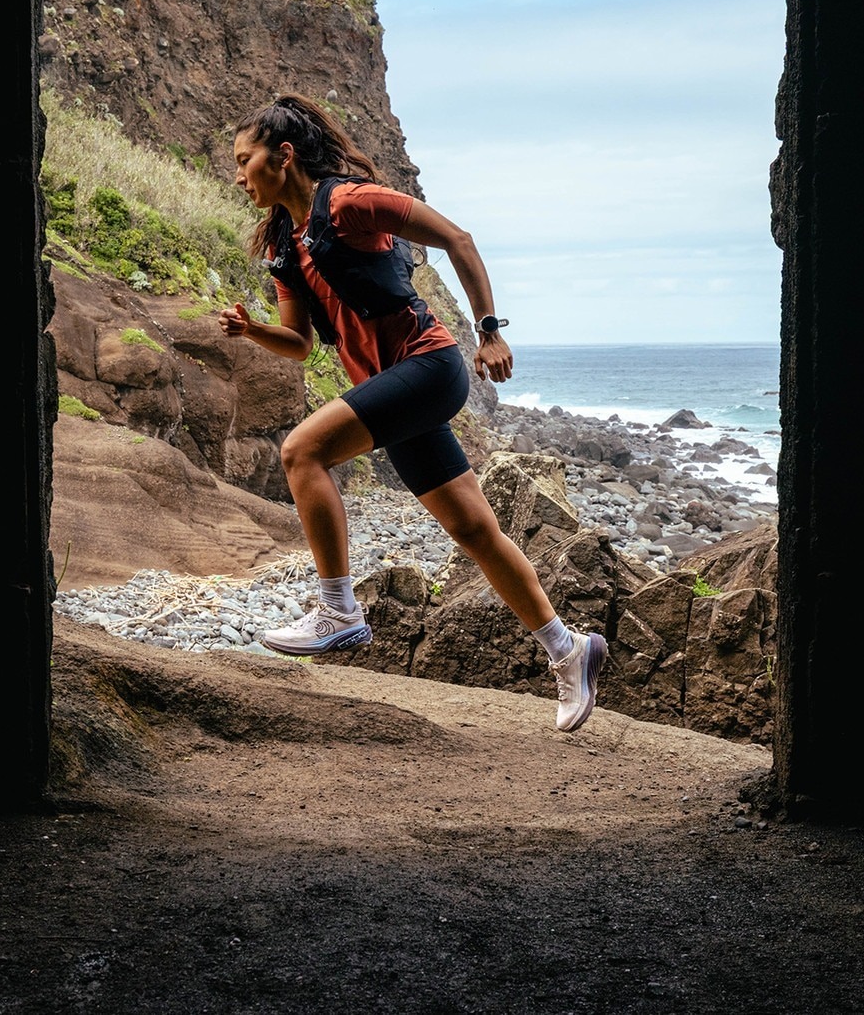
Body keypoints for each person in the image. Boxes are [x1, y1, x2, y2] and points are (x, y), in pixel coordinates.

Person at [217, 93, 607, 732]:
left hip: (428, 368)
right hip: (394, 388)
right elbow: (301, 344)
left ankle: (338, 611)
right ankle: (569, 651)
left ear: (283, 156)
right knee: (475, 531)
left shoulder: (348, 204)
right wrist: (251, 329)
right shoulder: (285, 246)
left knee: (301, 451)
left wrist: (488, 331)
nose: (238, 175)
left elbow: (457, 237)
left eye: (244, 160)